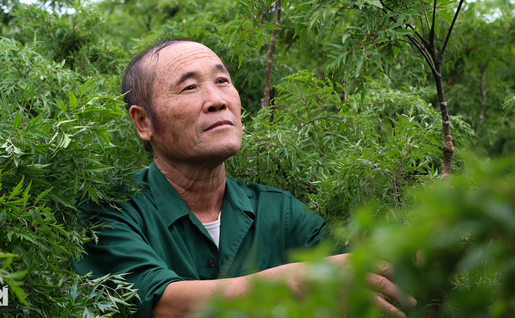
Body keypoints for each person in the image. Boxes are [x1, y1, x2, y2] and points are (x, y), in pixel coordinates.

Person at [74, 38, 414, 318]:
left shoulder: (280, 213)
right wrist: (296, 281)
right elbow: (164, 304)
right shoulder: (110, 210)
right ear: (143, 122)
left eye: (222, 81)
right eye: (189, 87)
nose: (217, 101)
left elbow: (360, 276)